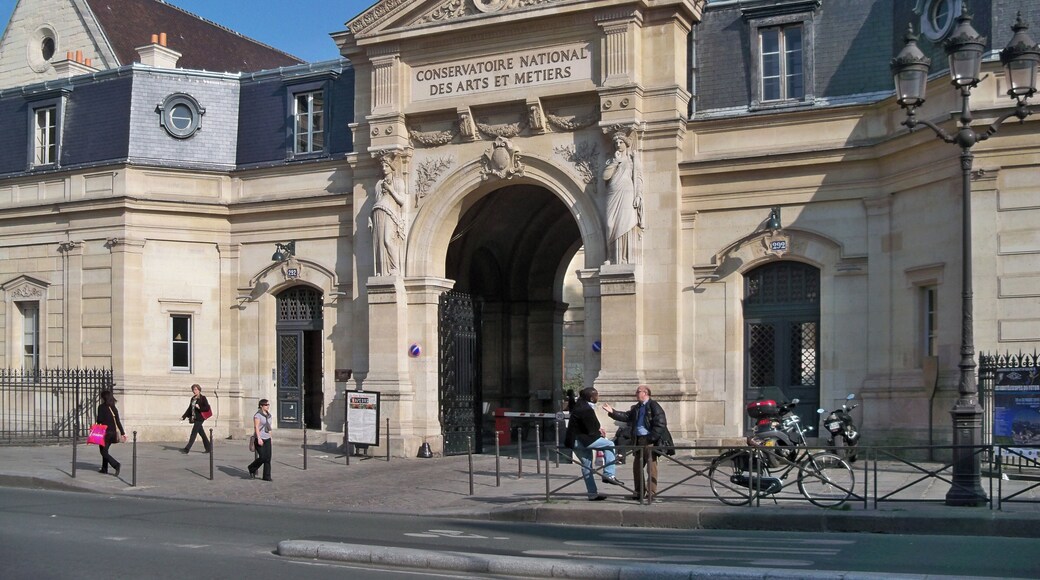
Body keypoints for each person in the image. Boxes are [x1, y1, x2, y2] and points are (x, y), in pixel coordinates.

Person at [604, 385, 668, 502]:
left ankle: (651, 493)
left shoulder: (653, 405)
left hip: (648, 440)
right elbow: (627, 416)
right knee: (637, 467)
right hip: (638, 440)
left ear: (645, 393)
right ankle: (639, 492)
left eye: (638, 392)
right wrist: (612, 412)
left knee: (651, 466)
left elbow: (661, 423)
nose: (636, 393)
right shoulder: (638, 407)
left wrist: (651, 438)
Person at [564, 387, 623, 500]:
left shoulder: (580, 404)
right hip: (582, 440)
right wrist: (599, 431)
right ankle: (608, 474)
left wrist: (597, 430)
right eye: (596, 395)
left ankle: (592, 494)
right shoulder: (586, 409)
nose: (598, 397)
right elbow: (591, 428)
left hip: (574, 441)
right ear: (591, 398)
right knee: (610, 444)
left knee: (587, 466)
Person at [602, 130, 643, 265]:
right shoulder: (612, 160)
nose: (618, 145)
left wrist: (638, 195)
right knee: (609, 225)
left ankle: (622, 258)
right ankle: (610, 256)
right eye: (616, 143)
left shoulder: (632, 159)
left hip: (627, 192)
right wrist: (616, 162)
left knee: (624, 224)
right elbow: (605, 177)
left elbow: (638, 178)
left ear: (626, 144)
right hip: (613, 193)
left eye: (621, 142)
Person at [371, 154, 407, 276]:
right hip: (378, 212)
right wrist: (370, 219)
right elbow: (376, 200)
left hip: (391, 214)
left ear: (391, 167)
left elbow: (402, 200)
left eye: (386, 166)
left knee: (388, 240)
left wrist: (391, 189)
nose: (384, 168)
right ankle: (382, 271)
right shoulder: (378, 184)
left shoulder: (398, 182)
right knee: (379, 243)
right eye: (382, 166)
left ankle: (395, 268)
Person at [95, 390, 127, 476]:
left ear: (103, 398)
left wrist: (97, 419)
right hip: (113, 433)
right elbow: (118, 421)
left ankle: (116, 465)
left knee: (103, 452)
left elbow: (100, 420)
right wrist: (123, 433)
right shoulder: (113, 408)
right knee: (104, 450)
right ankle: (104, 468)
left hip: (105, 433)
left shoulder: (101, 407)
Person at [180, 383, 212, 453]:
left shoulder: (203, 398)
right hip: (195, 418)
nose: (194, 391)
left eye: (195, 389)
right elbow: (189, 408)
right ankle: (209, 448)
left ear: (199, 390)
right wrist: (184, 416)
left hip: (200, 418)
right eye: (193, 390)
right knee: (202, 434)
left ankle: (187, 449)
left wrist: (199, 408)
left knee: (193, 433)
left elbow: (207, 408)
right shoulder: (193, 398)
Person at [247, 399, 273, 481]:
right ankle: (251, 467)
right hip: (260, 438)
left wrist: (271, 437)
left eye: (268, 404)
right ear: (261, 406)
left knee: (268, 458)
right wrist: (258, 438)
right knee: (262, 457)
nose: (267, 406)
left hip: (267, 438)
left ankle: (266, 476)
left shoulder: (269, 415)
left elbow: (269, 428)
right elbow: (256, 427)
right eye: (265, 405)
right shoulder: (257, 415)